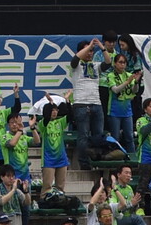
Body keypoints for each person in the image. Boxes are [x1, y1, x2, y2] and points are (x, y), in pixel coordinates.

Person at [69, 39, 107, 172]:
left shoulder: (96, 65)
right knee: (83, 136)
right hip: (81, 104)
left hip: (96, 103)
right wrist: (89, 46)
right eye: (88, 50)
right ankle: (84, 164)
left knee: (98, 135)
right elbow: (75, 59)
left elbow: (108, 63)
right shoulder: (76, 66)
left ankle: (96, 161)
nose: (90, 53)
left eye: (92, 51)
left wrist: (102, 48)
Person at [103, 52, 142, 154]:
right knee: (115, 137)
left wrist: (136, 82)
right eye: (120, 62)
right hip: (114, 111)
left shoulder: (128, 75)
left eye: (124, 62)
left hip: (127, 111)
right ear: (115, 63)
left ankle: (132, 157)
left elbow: (135, 91)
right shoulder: (111, 75)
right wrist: (127, 82)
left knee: (129, 137)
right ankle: (116, 157)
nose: (122, 65)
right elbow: (115, 90)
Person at [39, 98, 72, 193]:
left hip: (61, 159)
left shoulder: (60, 122)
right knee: (47, 187)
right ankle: (45, 200)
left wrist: (68, 102)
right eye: (52, 110)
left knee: (60, 188)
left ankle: (60, 200)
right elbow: (46, 119)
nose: (54, 112)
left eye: (56, 110)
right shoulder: (42, 124)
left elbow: (71, 115)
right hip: (48, 160)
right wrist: (50, 103)